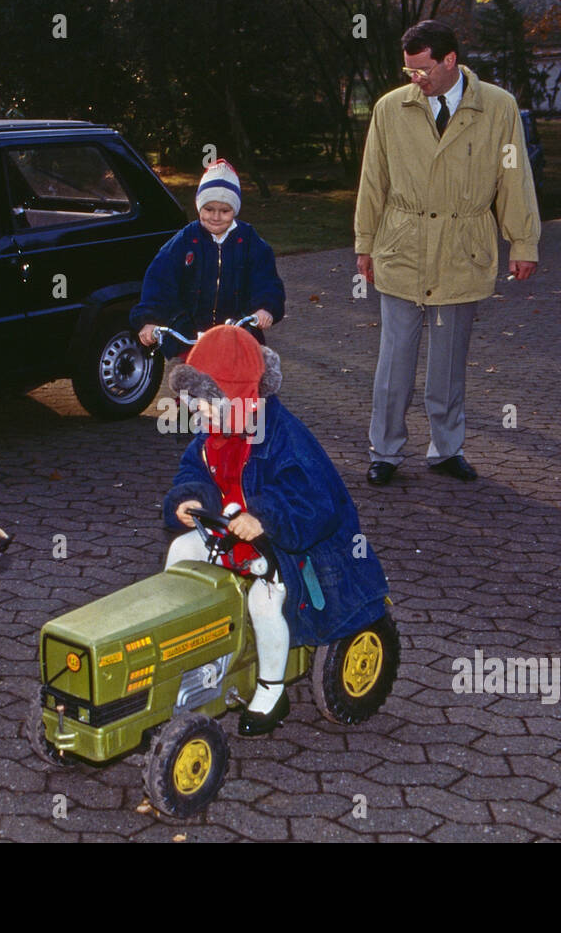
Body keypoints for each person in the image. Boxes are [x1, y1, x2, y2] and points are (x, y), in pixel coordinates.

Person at [162, 325, 389, 736]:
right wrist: (190, 498)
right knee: (181, 551)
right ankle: (191, 648)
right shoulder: (210, 436)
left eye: (209, 405)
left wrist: (263, 516)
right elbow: (193, 472)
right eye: (196, 405)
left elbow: (315, 503)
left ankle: (271, 688)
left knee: (267, 600)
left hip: (294, 546)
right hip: (231, 534)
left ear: (241, 400)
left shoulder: (285, 439)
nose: (201, 414)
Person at [355, 20, 540, 486]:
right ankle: (386, 452)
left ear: (450, 60)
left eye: (422, 69)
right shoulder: (389, 109)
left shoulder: (499, 108)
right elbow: (372, 181)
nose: (414, 78)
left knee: (449, 364)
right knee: (394, 362)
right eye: (408, 69)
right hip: (401, 248)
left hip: (463, 250)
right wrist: (364, 243)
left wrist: (523, 242)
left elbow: (513, 180)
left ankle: (446, 449)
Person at [133, 160, 285, 359]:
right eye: (209, 209)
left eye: (225, 211)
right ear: (199, 207)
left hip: (239, 334)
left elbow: (266, 280)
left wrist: (265, 307)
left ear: (235, 210)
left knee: (252, 385)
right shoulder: (184, 242)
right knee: (188, 385)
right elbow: (159, 282)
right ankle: (187, 391)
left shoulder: (250, 242)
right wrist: (149, 319)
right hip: (192, 336)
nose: (216, 217)